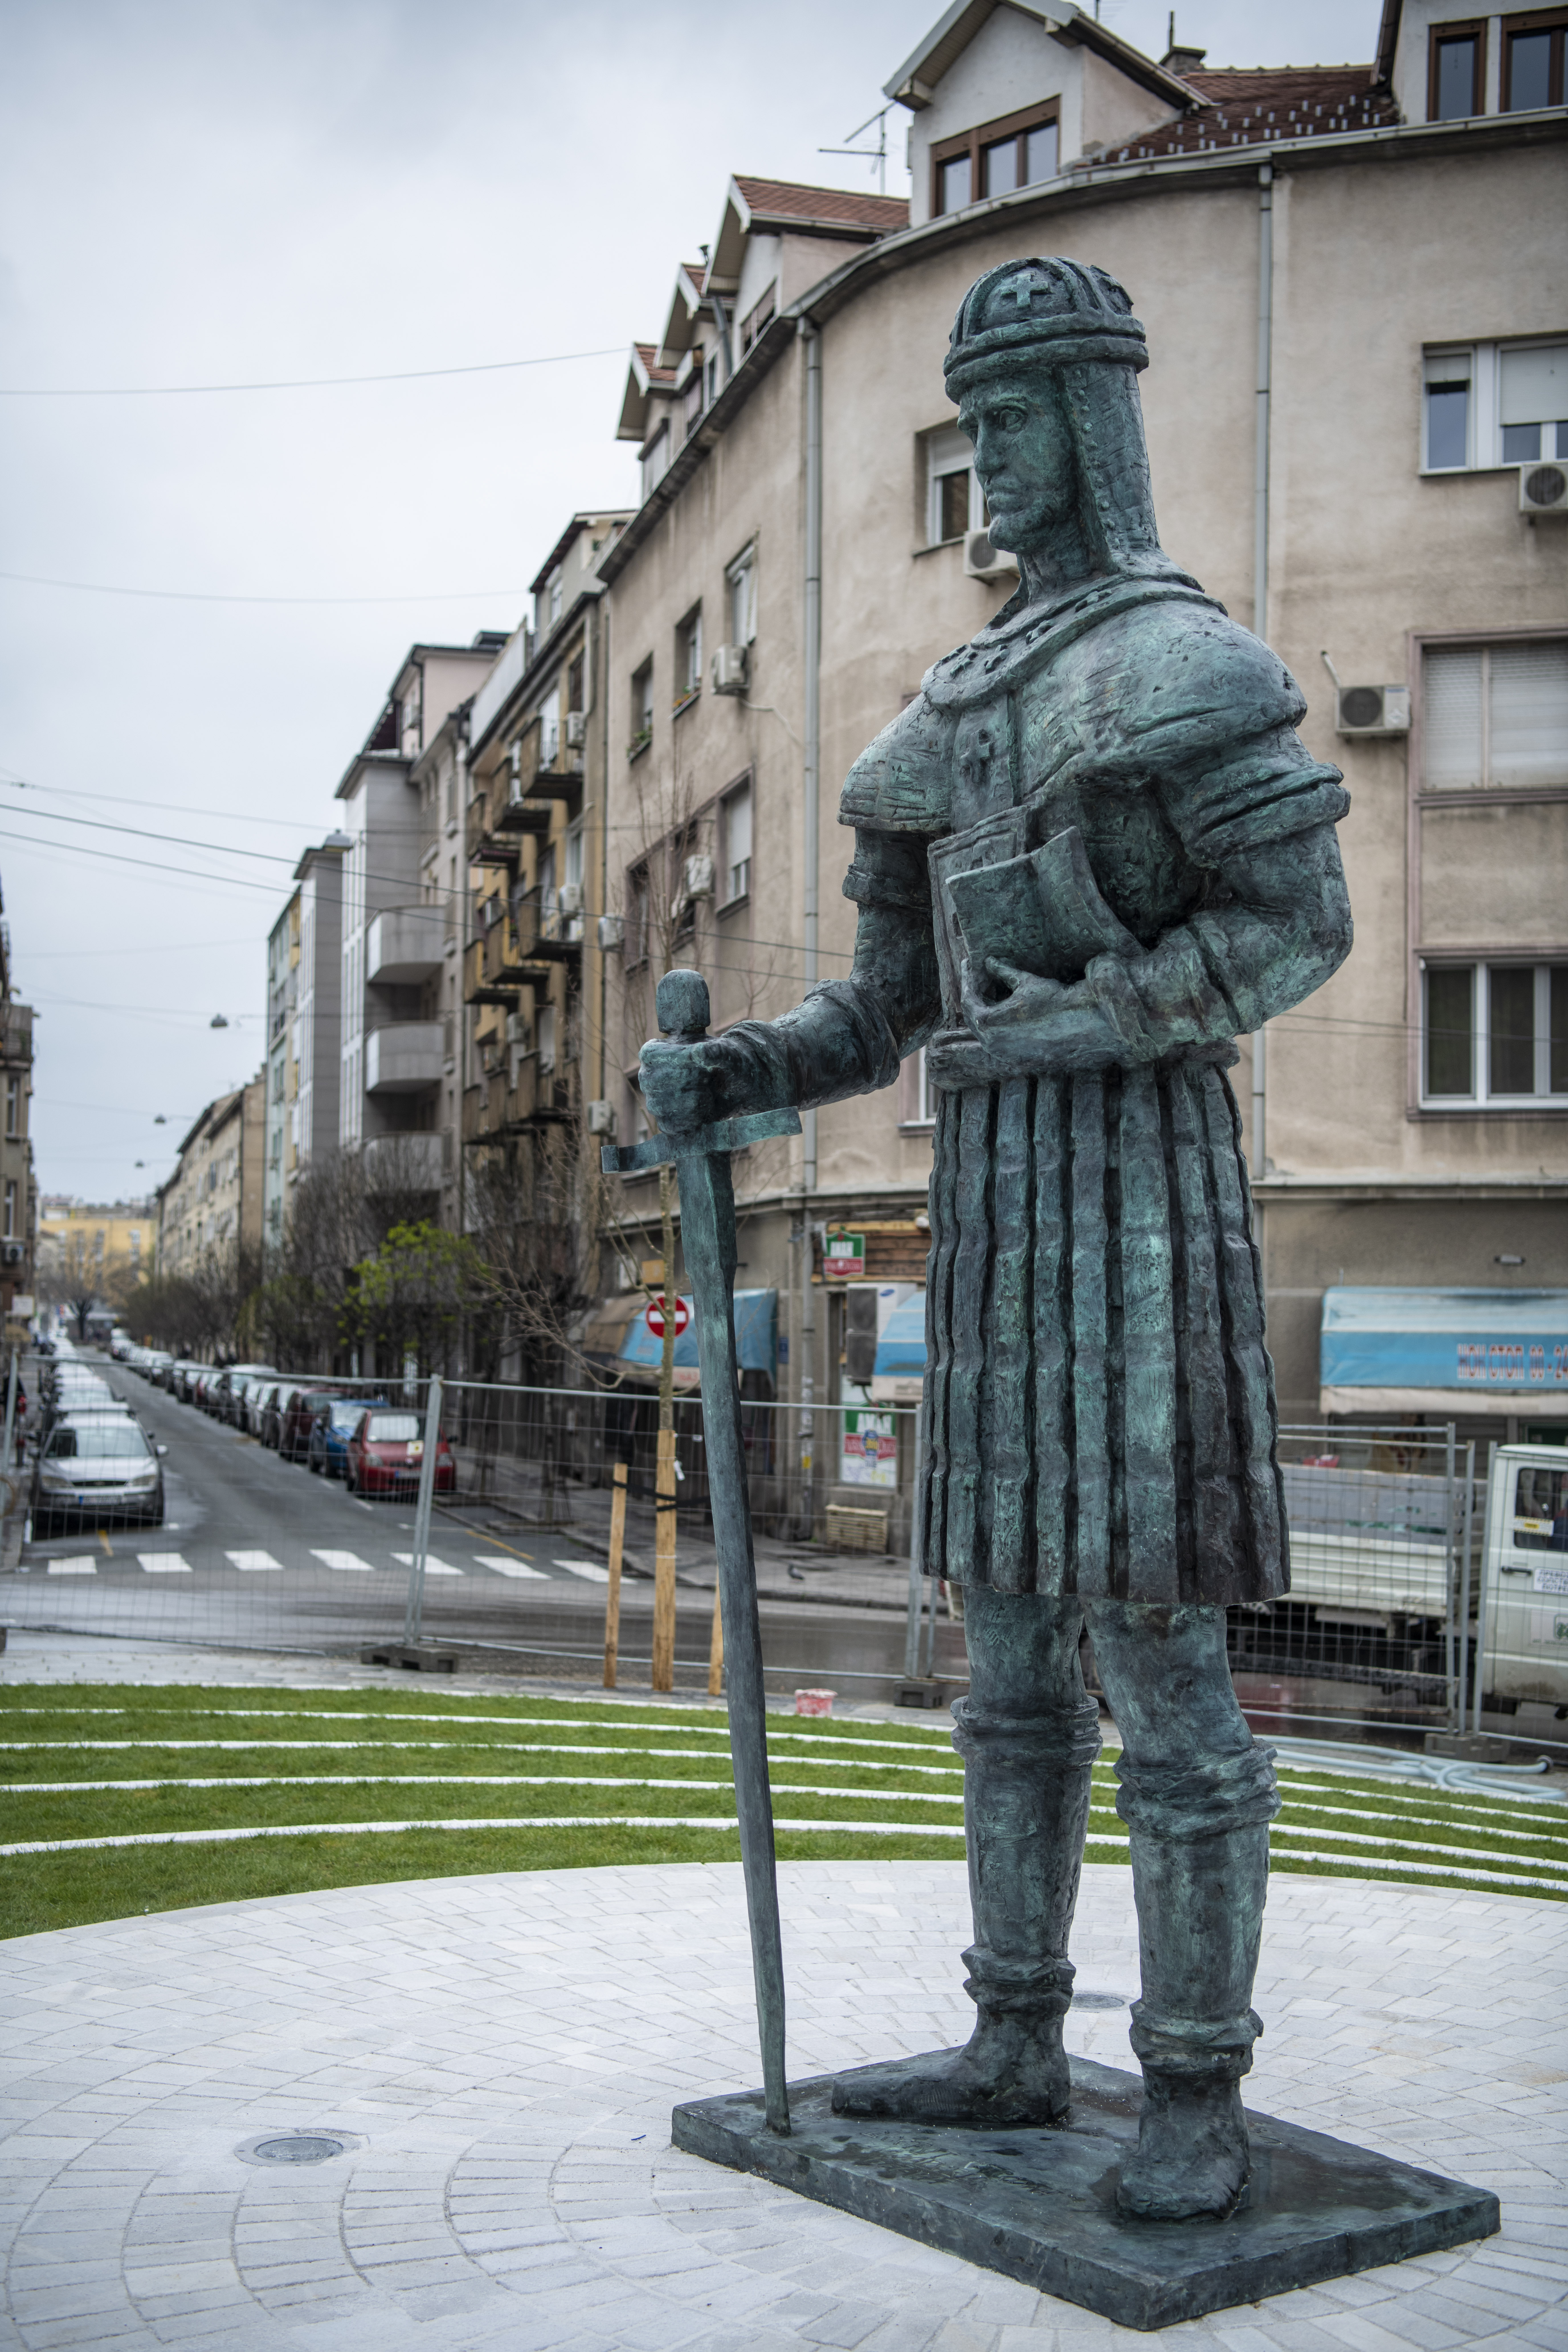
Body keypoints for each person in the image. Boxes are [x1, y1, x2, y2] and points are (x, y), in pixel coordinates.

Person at [640, 257, 1353, 2223]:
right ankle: (1017, 2032)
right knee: (1012, 1664)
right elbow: (883, 1008)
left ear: (1096, 422)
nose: (992, 464)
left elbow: (1301, 925)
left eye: (1020, 423)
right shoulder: (944, 712)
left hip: (1145, 1198)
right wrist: (746, 1076)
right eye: (974, 431)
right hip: (1000, 1224)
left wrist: (1110, 1015)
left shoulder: (1184, 663)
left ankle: (1193, 2087)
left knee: (1164, 1669)